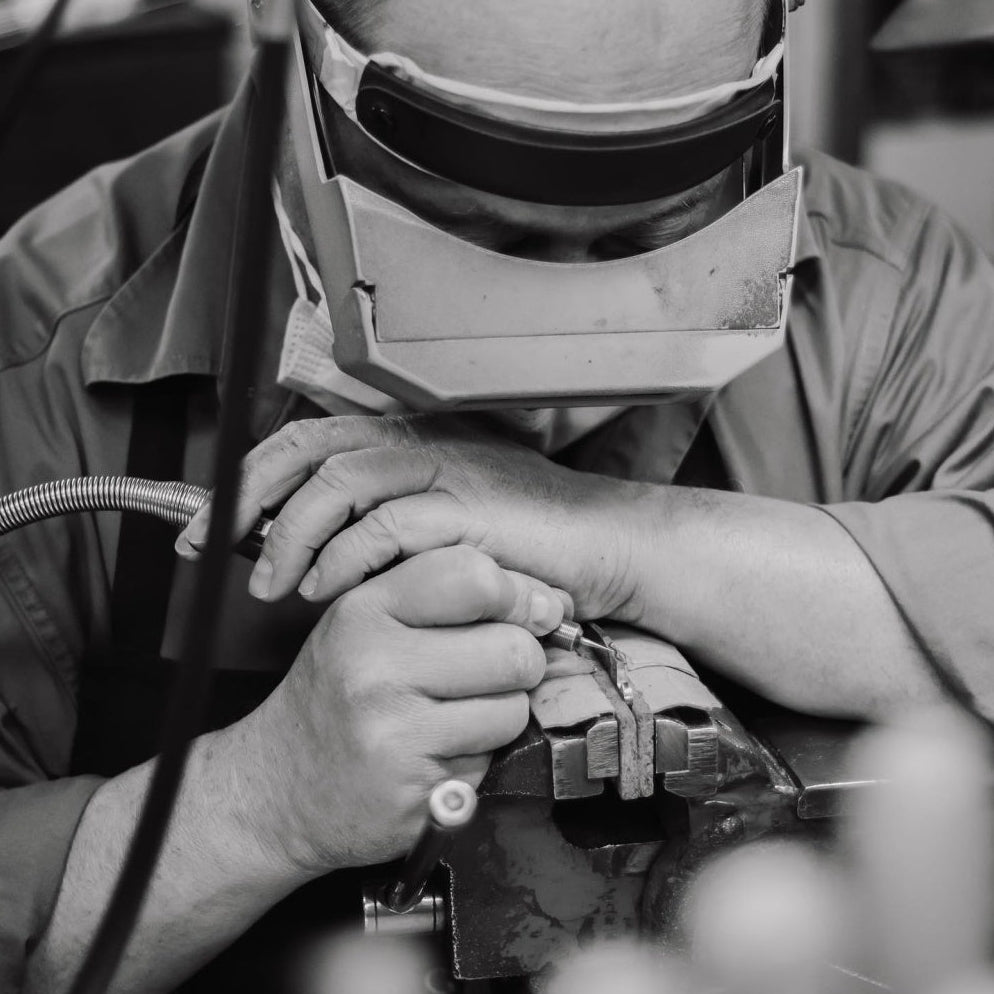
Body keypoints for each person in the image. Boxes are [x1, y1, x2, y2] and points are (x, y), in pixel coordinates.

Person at [1, 0, 993, 990]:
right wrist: (253, 801)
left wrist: (610, 530)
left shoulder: (889, 302)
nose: (563, 323)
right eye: (475, 230)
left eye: (654, 227)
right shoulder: (35, 360)